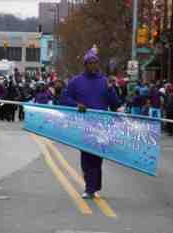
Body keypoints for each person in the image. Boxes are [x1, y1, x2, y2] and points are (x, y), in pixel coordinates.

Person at [61, 49, 120, 199]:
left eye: (96, 63)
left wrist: (111, 90)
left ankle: (94, 186)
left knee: (97, 157)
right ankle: (89, 187)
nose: (95, 66)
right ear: (85, 65)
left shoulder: (104, 81)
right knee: (86, 157)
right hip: (84, 125)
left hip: (101, 125)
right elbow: (64, 99)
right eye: (91, 63)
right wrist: (76, 105)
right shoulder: (76, 81)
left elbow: (115, 104)